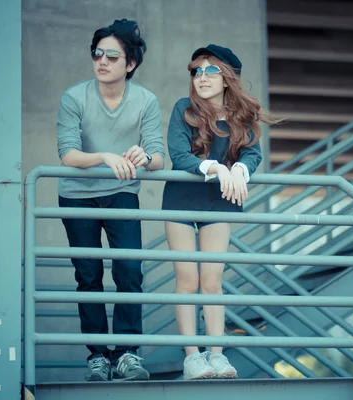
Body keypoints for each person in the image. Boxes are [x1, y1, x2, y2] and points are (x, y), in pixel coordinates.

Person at [56, 19, 164, 382]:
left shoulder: (146, 100)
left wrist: (144, 158)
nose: (102, 61)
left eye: (112, 56)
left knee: (129, 272)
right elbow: (68, 155)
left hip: (121, 193)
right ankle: (98, 357)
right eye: (97, 53)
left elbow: (159, 157)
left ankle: (128, 353)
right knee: (88, 277)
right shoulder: (74, 97)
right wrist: (104, 156)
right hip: (77, 196)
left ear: (129, 64)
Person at [162, 44, 275, 380]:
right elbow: (179, 155)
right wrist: (215, 168)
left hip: (218, 202)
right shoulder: (184, 109)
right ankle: (192, 358)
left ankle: (217, 355)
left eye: (211, 71)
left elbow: (253, 155)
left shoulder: (243, 117)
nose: (202, 77)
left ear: (227, 78)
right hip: (181, 199)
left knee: (212, 282)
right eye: (196, 71)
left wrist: (239, 169)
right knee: (187, 281)